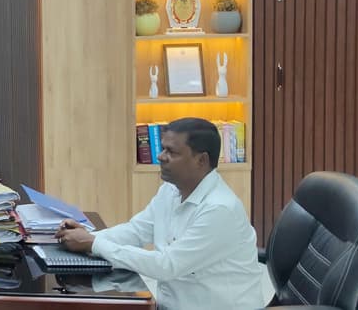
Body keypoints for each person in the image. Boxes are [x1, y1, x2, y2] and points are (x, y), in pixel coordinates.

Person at [54, 117, 265, 310]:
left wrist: (94, 244)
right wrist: (87, 237)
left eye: (171, 152)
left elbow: (167, 265)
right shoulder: (171, 190)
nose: (160, 156)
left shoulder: (219, 209)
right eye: (163, 149)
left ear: (201, 160)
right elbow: (136, 231)